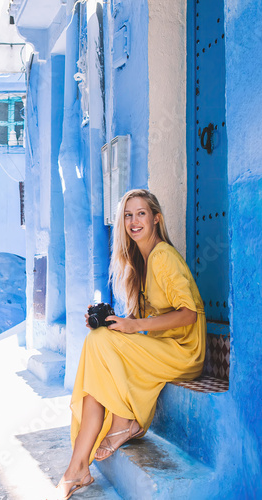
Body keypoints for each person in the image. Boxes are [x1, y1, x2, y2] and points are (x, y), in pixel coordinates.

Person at [55, 189, 206, 500]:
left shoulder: (163, 256)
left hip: (183, 351)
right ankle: (77, 469)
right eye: (127, 215)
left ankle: (122, 423)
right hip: (162, 347)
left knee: (99, 345)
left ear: (156, 218)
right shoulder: (142, 259)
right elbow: (140, 321)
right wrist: (112, 322)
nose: (134, 221)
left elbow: (188, 314)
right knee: (98, 350)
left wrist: (133, 326)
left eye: (141, 214)